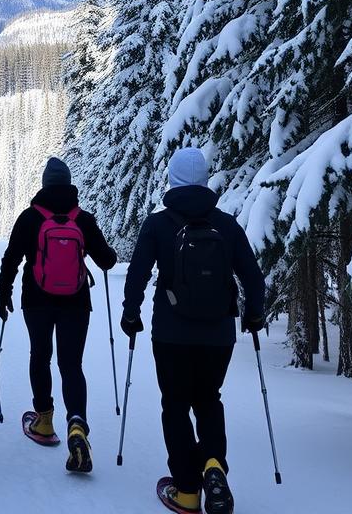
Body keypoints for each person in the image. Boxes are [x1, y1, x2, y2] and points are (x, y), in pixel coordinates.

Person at [121, 147, 266, 514]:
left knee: (175, 404)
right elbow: (252, 276)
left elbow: (137, 273)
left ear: (172, 179)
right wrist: (253, 315)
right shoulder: (227, 224)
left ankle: (186, 490)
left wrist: (131, 313)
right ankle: (213, 464)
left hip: (170, 333)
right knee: (209, 399)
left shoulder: (157, 224)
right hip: (218, 334)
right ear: (204, 179)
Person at [0, 156, 117, 473]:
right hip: (76, 303)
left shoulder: (29, 217)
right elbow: (107, 261)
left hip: (36, 299)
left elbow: (10, 258)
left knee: (40, 355)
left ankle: (44, 421)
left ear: (45, 185)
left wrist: (3, 291)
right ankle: (77, 424)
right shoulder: (83, 219)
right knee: (71, 364)